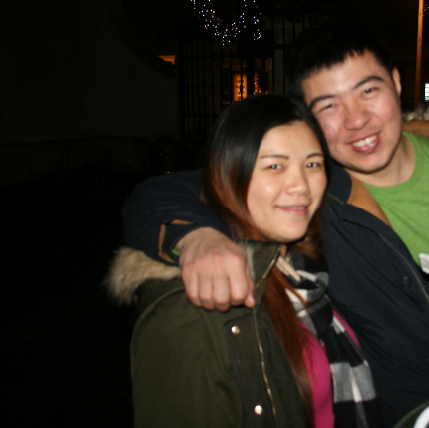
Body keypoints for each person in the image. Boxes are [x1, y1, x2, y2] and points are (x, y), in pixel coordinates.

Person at [122, 21, 429, 425]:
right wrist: (198, 236)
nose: (356, 120)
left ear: (396, 82)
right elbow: (169, 191)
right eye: (329, 106)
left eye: (368, 91)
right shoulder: (314, 190)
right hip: (391, 412)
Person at [108, 94, 381, 427]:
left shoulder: (307, 268)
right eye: (275, 166)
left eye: (312, 164)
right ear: (230, 172)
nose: (301, 186)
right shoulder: (201, 299)